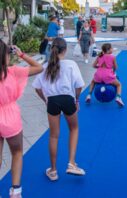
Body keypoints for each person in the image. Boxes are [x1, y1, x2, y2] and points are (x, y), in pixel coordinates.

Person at [32, 38, 86, 181]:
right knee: (74, 129)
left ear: (52, 49)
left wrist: (46, 100)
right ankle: (71, 163)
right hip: (68, 99)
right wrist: (76, 99)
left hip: (53, 102)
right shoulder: (71, 64)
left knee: (54, 136)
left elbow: (37, 87)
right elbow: (79, 85)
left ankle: (53, 171)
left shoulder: (45, 66)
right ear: (65, 49)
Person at [0, 39, 43, 198]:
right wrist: (21, 54)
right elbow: (39, 67)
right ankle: (15, 191)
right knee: (17, 152)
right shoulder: (12, 71)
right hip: (10, 117)